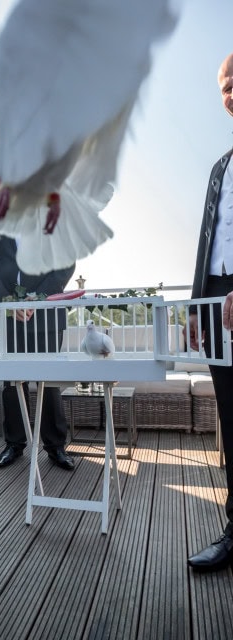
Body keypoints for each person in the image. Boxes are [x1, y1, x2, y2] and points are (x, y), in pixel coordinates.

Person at [186, 53, 233, 572]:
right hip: (218, 304)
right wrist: (198, 305)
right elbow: (206, 240)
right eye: (224, 85)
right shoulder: (220, 166)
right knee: (231, 418)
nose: (231, 91)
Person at [0, 233, 76, 470]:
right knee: (12, 383)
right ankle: (14, 443)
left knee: (49, 381)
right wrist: (8, 302)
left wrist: (36, 299)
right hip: (10, 318)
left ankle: (55, 446)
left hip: (47, 316)